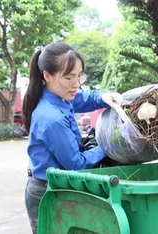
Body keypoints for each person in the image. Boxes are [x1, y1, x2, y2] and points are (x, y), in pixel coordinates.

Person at [22, 42, 123, 234]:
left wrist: (104, 96)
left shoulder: (57, 95)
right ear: (47, 76)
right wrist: (106, 146)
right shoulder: (51, 118)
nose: (76, 84)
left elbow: (82, 99)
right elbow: (75, 163)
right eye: (69, 78)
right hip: (46, 192)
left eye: (79, 76)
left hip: (57, 186)